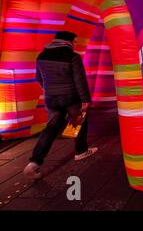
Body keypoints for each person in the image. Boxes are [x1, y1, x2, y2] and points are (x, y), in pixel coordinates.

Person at [23, 31, 98, 180]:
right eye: (74, 41)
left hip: (51, 98)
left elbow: (38, 77)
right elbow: (79, 80)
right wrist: (86, 100)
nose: (75, 44)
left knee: (51, 128)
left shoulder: (42, 56)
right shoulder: (72, 57)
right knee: (77, 120)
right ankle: (80, 150)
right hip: (71, 97)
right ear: (69, 41)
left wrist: (49, 90)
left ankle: (34, 162)